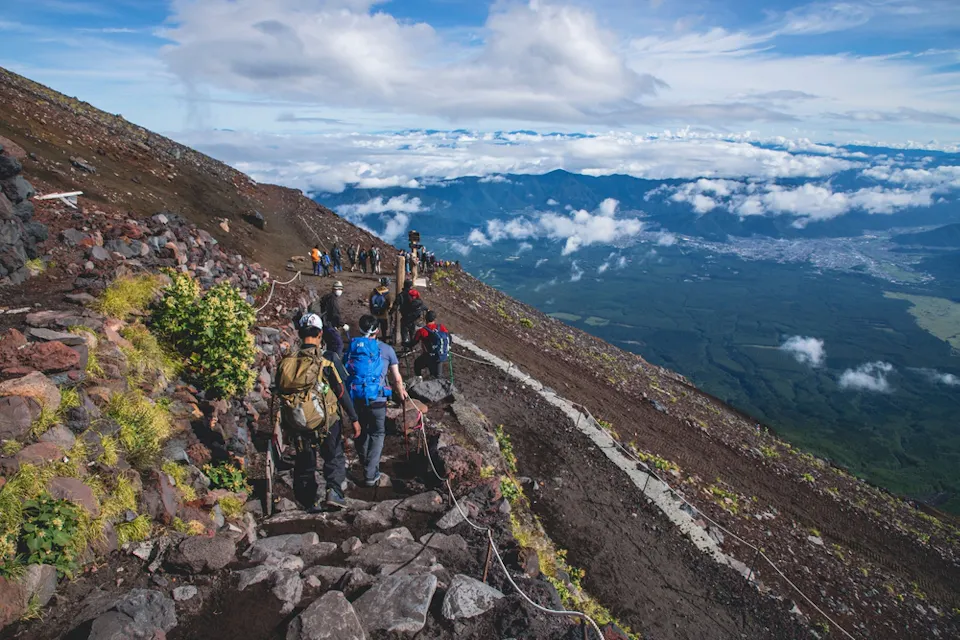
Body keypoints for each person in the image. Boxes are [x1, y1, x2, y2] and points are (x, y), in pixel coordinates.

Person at [275, 313, 360, 511]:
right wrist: (354, 418)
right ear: (320, 334)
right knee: (334, 456)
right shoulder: (327, 359)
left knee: (305, 460)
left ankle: (307, 501)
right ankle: (334, 492)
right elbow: (341, 391)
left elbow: (280, 393)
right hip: (327, 420)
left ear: (299, 332)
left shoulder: (287, 362)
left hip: (297, 419)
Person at [344, 315, 409, 487]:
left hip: (357, 398)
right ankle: (370, 474)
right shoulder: (387, 350)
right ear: (378, 331)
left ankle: (367, 464)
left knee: (361, 432)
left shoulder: (352, 348)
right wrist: (401, 392)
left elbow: (344, 372)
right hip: (378, 399)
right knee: (378, 434)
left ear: (360, 329)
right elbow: (396, 378)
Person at [409, 310, 451, 378]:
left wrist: (405, 344)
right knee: (437, 376)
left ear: (425, 319)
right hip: (440, 355)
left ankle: (419, 380)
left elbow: (413, 343)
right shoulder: (441, 327)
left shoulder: (421, 331)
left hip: (428, 356)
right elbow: (448, 336)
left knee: (417, 364)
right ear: (434, 318)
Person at [394, 278, 425, 347]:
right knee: (412, 332)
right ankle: (411, 346)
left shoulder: (401, 295)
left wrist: (391, 312)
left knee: (404, 333)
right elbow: (421, 303)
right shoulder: (414, 295)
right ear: (411, 286)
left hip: (405, 317)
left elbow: (395, 305)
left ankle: (405, 346)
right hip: (414, 318)